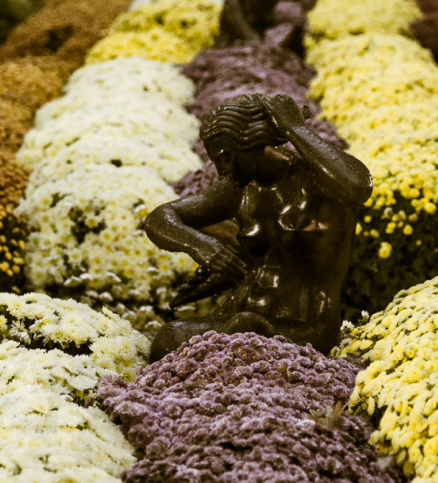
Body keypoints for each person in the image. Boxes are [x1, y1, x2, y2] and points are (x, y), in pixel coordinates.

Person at [143, 92, 373, 362]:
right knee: (170, 337)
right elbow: (160, 218)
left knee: (243, 329)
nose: (221, 170)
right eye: (216, 160)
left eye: (226, 157)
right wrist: (201, 244)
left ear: (251, 142)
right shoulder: (239, 189)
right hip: (240, 314)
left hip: (305, 327)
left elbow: (359, 186)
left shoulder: (320, 182)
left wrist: (294, 128)